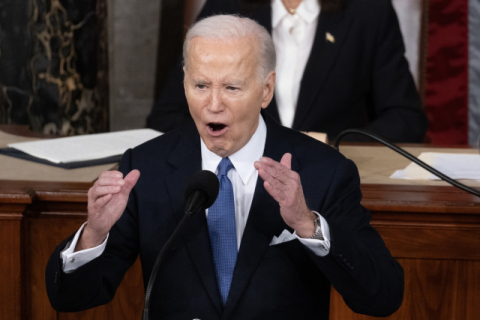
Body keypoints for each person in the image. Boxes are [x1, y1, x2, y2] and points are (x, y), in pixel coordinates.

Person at [46, 15, 403, 319]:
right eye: (200, 85)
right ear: (184, 83)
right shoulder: (146, 169)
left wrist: (307, 225)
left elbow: (383, 295)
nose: (213, 105)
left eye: (231, 87)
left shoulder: (323, 171)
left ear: (266, 90)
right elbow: (71, 298)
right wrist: (93, 234)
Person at [147, 0, 428, 143]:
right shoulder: (226, 7)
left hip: (329, 183)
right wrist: (237, 141)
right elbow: (167, 116)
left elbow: (405, 118)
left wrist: (330, 146)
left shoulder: (368, 11)